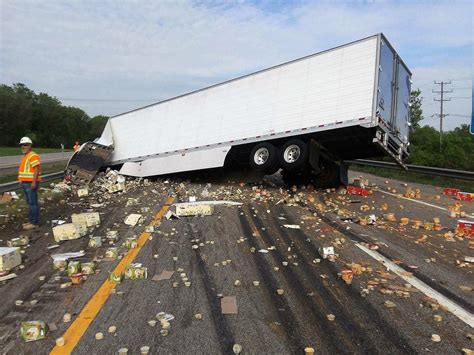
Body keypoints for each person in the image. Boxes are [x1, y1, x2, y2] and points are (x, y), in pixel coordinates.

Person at [18, 137, 41, 230]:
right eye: (22, 145)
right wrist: (21, 180)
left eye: (26, 144)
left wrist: (34, 182)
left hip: (30, 183)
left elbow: (36, 169)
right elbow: (24, 170)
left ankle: (34, 223)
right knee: (30, 203)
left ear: (30, 145)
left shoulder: (33, 155)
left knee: (33, 203)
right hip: (25, 182)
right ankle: (31, 221)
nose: (23, 146)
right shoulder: (26, 156)